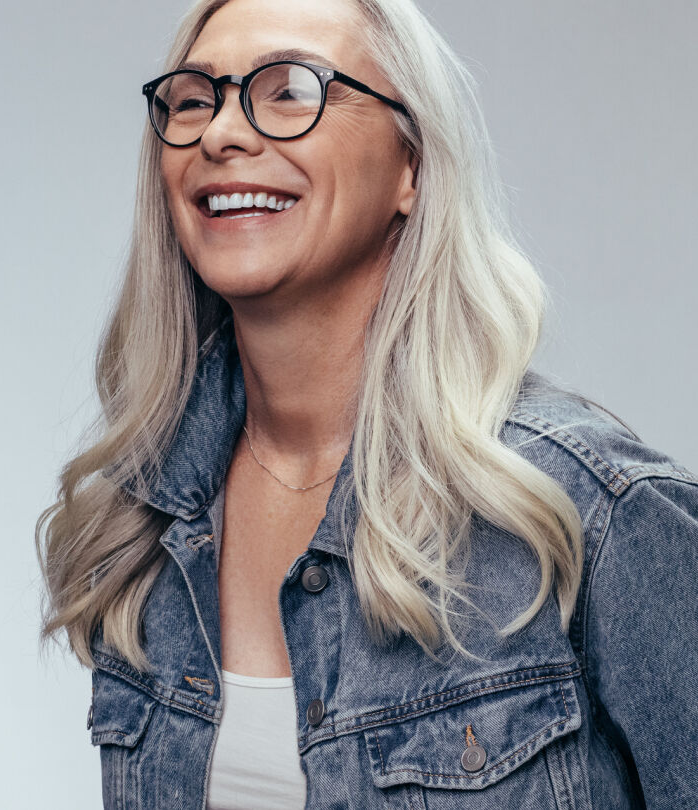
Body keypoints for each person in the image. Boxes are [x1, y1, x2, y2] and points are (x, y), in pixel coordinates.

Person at [35, 0, 698, 807]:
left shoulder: (595, 513)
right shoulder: (141, 524)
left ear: (411, 165)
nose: (220, 134)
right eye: (193, 100)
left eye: (289, 90)